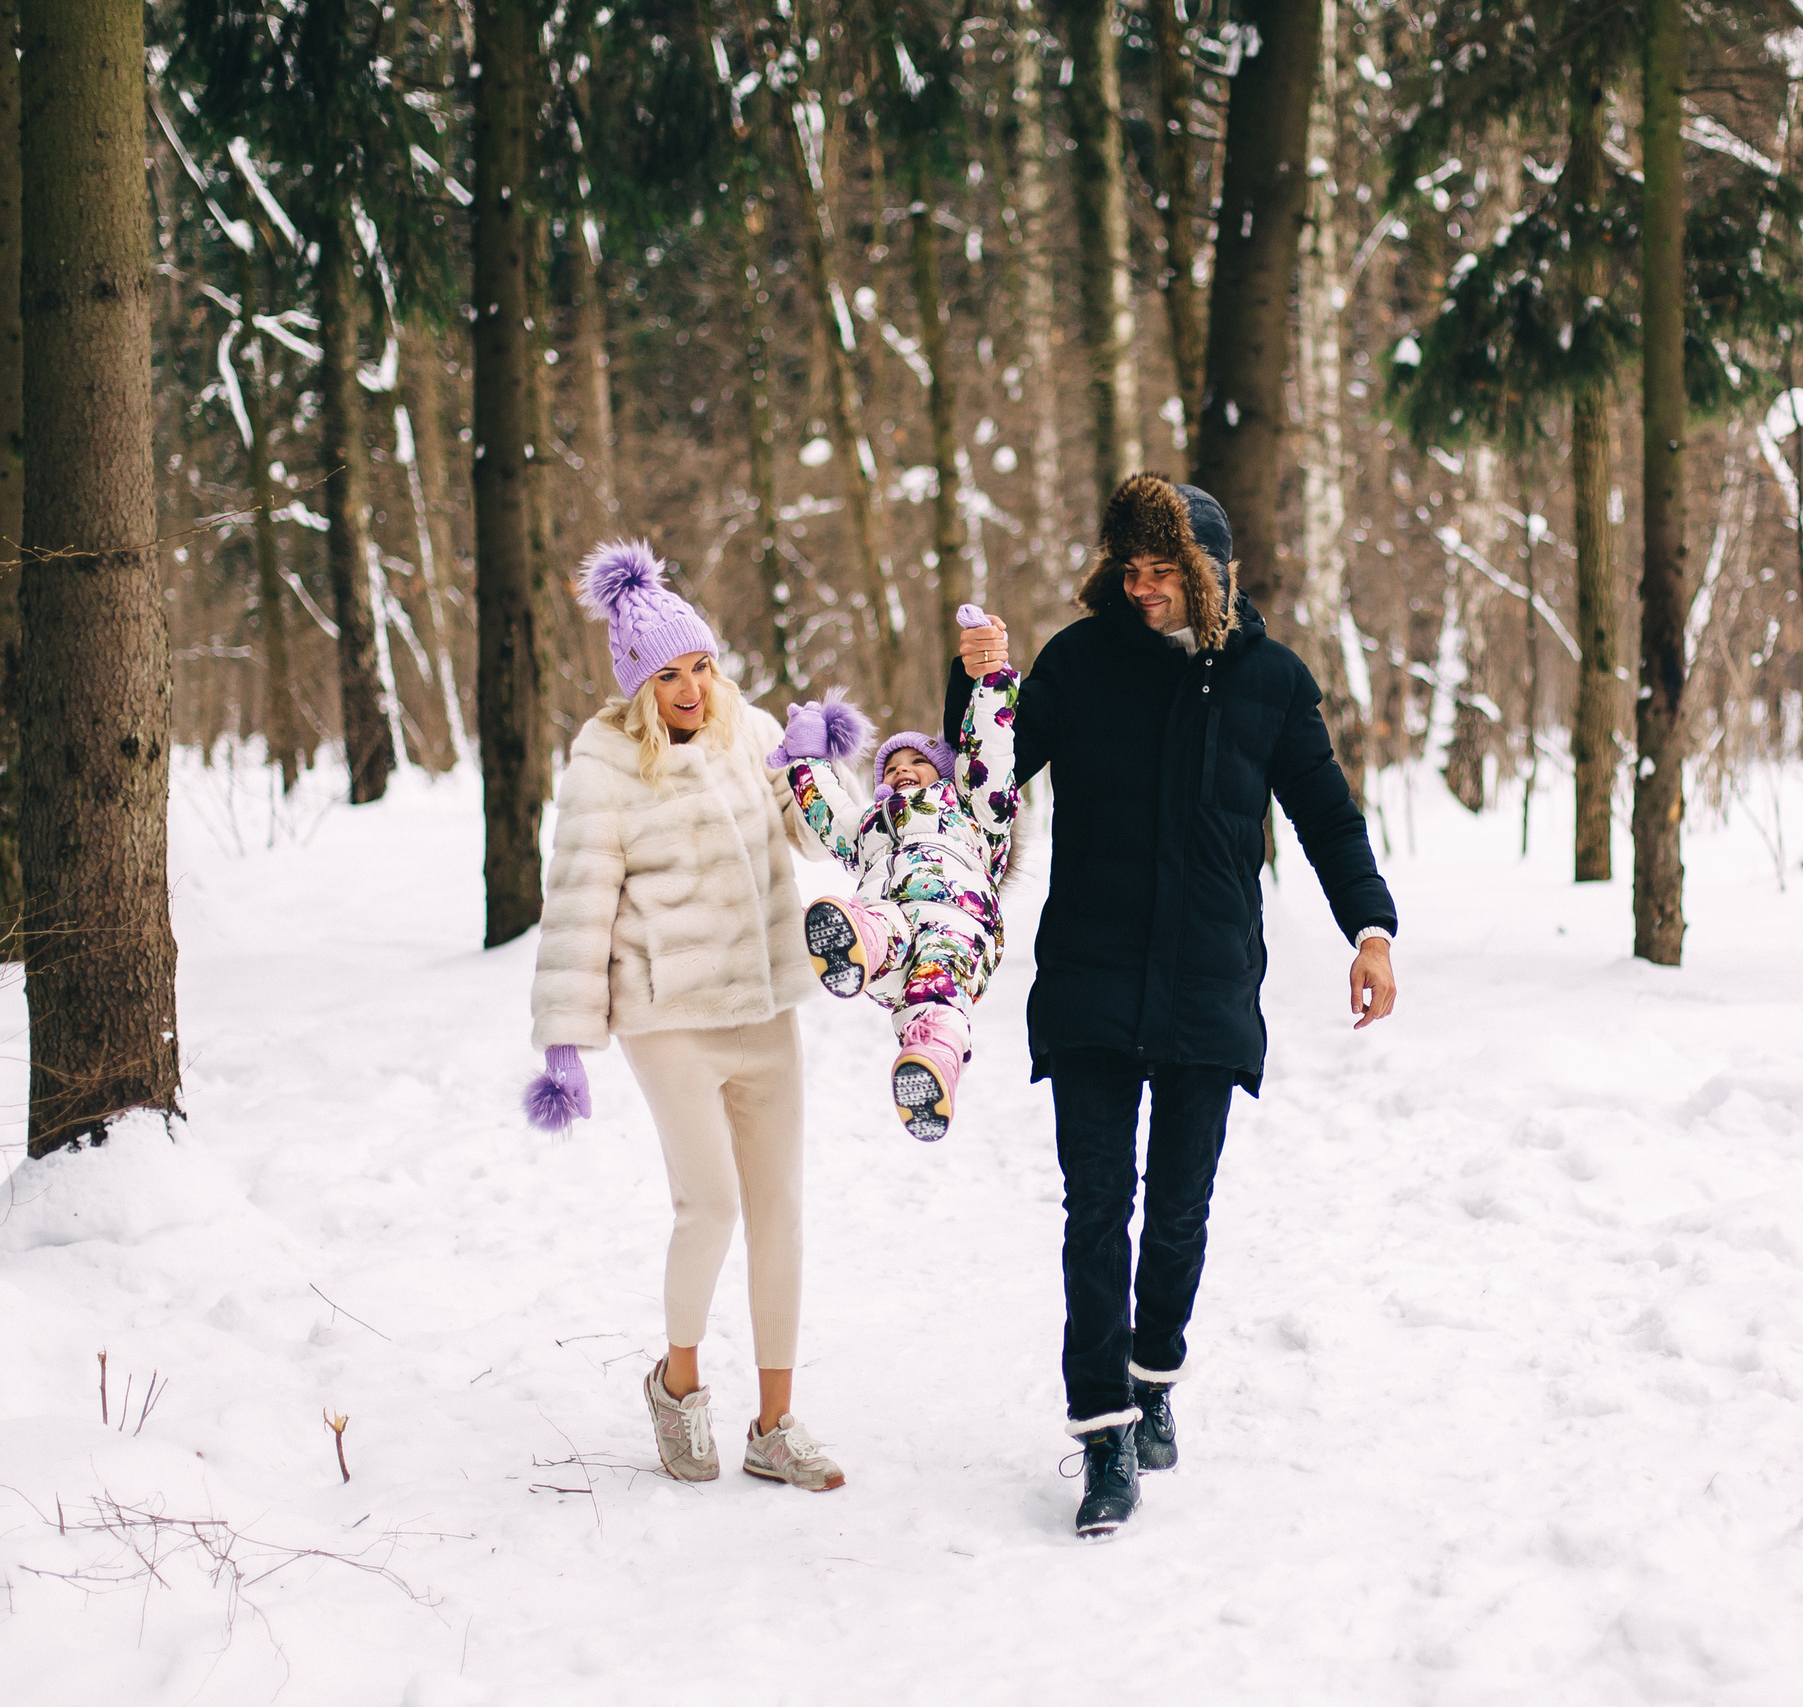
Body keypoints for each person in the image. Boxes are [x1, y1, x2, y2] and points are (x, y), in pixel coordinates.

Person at [944, 474, 1398, 1538]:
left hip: (1206, 984)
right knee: (1096, 1209)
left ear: (1210, 575)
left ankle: (1154, 1380)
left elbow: (1327, 817)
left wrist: (1369, 930)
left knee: (1180, 1212)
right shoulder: (1078, 662)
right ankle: (1103, 1436)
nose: (1143, 590)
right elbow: (988, 786)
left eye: (1164, 573)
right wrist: (981, 689)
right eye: (1130, 570)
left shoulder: (1271, 685)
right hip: (1093, 977)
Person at [519, 540, 847, 1493]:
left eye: (701, 663)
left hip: (765, 1003)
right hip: (668, 1016)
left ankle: (775, 1425)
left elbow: (819, 834)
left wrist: (816, 765)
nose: (694, 686)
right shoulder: (605, 765)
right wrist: (566, 1040)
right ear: (638, 681)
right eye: (671, 673)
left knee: (781, 1209)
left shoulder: (747, 732)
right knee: (711, 1206)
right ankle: (679, 1387)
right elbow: (579, 902)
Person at [769, 606, 1021, 1141]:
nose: (903, 768)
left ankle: (931, 1065)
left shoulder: (975, 810)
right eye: (891, 766)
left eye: (918, 761)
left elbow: (991, 753)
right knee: (883, 924)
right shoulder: (871, 828)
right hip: (891, 937)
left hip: (958, 923)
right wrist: (806, 760)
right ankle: (861, 944)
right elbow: (828, 811)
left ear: (947, 774)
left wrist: (992, 681)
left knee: (936, 1004)